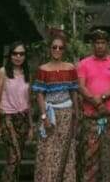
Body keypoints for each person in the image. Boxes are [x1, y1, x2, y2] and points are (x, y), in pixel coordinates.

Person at [77, 29, 110, 182]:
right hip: (90, 116)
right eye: (97, 42)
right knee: (90, 154)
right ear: (93, 44)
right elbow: (81, 86)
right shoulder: (83, 63)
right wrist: (96, 102)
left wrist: (103, 97)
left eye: (102, 42)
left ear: (108, 44)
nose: (99, 46)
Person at [32, 32, 79, 182]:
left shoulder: (70, 68)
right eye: (54, 47)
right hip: (49, 114)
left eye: (60, 47)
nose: (57, 50)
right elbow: (39, 94)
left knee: (66, 149)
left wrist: (76, 113)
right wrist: (44, 116)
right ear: (50, 49)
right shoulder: (43, 69)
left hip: (66, 114)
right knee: (47, 149)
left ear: (64, 50)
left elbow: (73, 92)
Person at [0, 41, 33, 182]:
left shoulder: (27, 75)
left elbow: (29, 103)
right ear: (10, 55)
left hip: (23, 119)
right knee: (14, 157)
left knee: (17, 159)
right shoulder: (2, 72)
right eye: (15, 53)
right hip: (7, 118)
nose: (18, 56)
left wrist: (31, 127)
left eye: (21, 54)